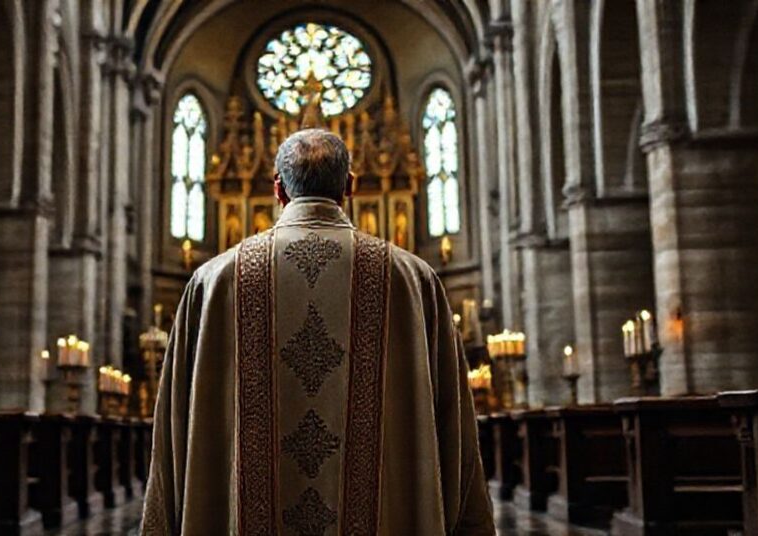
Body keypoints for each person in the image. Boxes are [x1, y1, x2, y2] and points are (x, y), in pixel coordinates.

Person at [141, 129, 495, 535]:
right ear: (350, 186)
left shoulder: (213, 281)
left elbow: (174, 434)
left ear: (278, 190)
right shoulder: (412, 280)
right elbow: (455, 432)